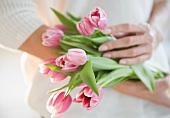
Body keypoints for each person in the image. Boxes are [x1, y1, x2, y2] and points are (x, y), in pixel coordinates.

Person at [0, 0, 170, 118]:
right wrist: (113, 78)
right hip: (79, 112)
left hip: (157, 104)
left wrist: (155, 31)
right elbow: (7, 17)